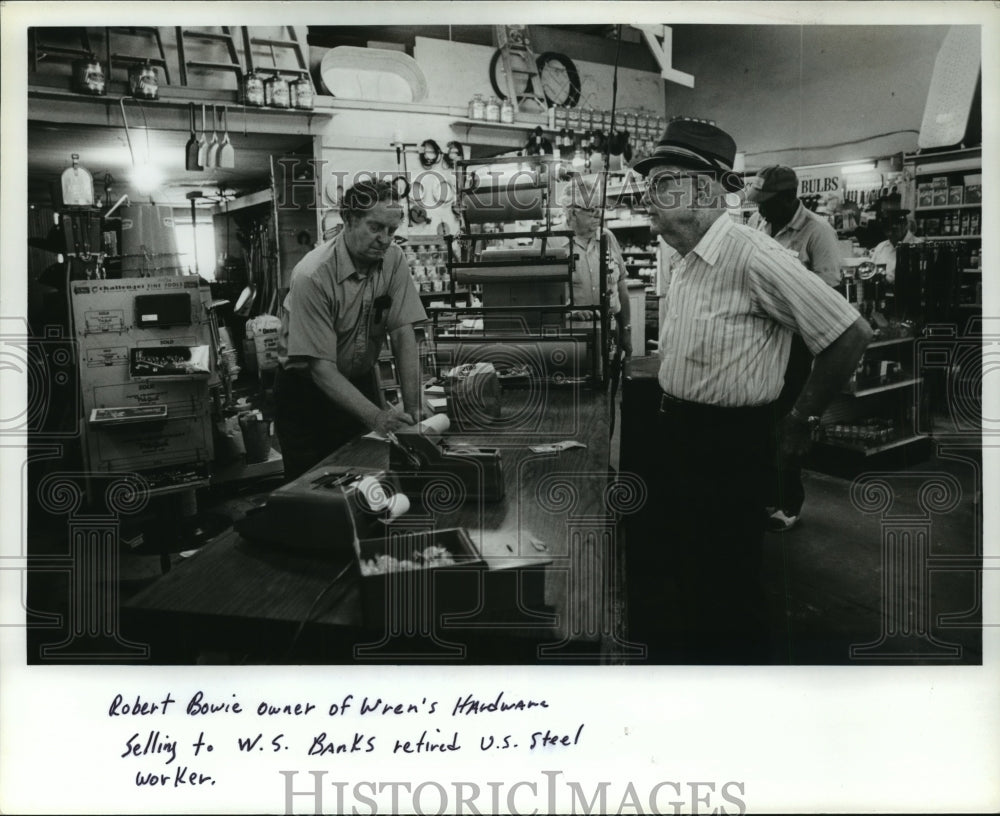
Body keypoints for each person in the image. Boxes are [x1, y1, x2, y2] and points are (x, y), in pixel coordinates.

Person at [630, 119, 872, 663]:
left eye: (662, 182)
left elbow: (850, 333)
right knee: (690, 567)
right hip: (680, 431)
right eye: (649, 184)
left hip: (728, 445)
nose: (648, 197)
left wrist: (801, 420)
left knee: (728, 582)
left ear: (705, 190)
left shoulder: (753, 256)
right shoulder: (687, 257)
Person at [274, 179, 428, 481]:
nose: (385, 239)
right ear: (349, 219)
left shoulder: (394, 259)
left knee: (366, 473)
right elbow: (320, 369)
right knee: (312, 487)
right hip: (306, 393)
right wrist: (378, 418)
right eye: (375, 227)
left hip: (358, 382)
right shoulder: (312, 275)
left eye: (391, 231)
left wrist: (414, 412)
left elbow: (402, 332)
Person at [746, 165, 845, 532]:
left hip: (796, 344)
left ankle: (788, 503)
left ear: (790, 198)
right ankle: (762, 496)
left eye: (767, 202)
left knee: (786, 420)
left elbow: (828, 292)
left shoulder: (818, 232)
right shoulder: (759, 224)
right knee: (759, 419)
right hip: (761, 339)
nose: (760, 209)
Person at [556, 177, 632, 359]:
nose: (598, 214)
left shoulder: (608, 237)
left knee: (612, 375)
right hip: (570, 338)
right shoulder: (550, 241)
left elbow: (621, 286)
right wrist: (567, 311)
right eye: (591, 209)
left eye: (599, 208)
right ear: (572, 212)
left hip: (610, 330)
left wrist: (626, 330)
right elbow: (537, 295)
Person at [871, 209, 921, 283]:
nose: (889, 234)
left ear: (904, 225)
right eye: (887, 230)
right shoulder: (881, 247)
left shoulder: (918, 246)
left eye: (894, 230)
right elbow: (872, 270)